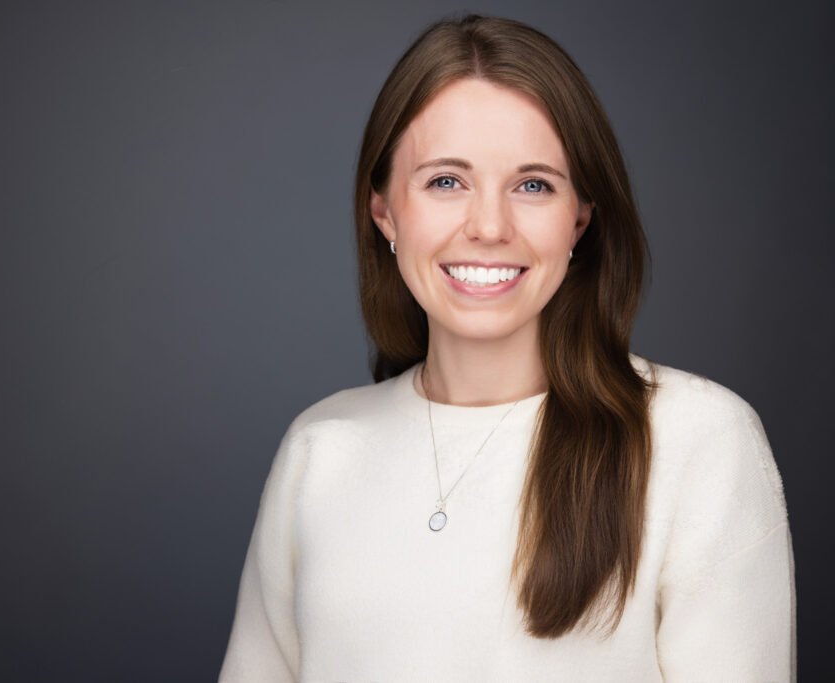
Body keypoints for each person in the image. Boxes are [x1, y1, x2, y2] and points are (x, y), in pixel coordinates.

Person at [218, 14, 795, 683]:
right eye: (445, 181)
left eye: (532, 185)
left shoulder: (697, 441)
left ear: (579, 216)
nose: (489, 226)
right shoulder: (319, 450)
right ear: (385, 215)